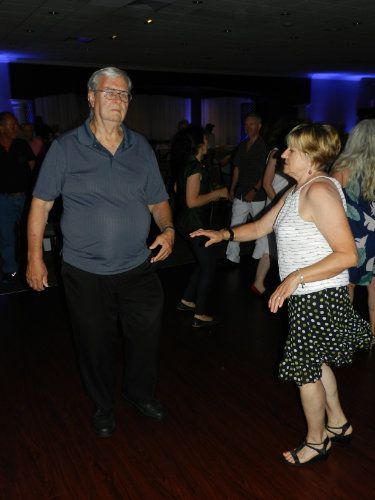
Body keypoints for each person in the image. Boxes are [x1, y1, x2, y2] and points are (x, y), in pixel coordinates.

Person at [191, 123, 372, 465]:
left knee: (304, 372)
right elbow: (260, 227)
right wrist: (224, 232)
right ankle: (338, 423)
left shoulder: (319, 191)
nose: (284, 154)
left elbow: (348, 254)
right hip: (310, 294)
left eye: (291, 150)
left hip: (317, 295)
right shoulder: (297, 189)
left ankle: (317, 441)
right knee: (315, 363)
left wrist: (295, 278)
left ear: (311, 156)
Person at [27, 67, 174, 438]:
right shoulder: (64, 149)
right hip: (84, 270)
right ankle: (103, 405)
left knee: (146, 335)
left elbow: (158, 201)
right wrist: (34, 258)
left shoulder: (140, 147)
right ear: (90, 98)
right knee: (94, 343)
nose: (118, 101)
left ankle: (139, 394)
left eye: (124, 95)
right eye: (110, 93)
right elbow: (41, 206)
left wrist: (169, 230)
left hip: (137, 267)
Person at [173, 125, 228, 327]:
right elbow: (191, 201)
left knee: (204, 261)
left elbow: (177, 189)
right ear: (200, 143)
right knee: (209, 264)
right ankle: (200, 314)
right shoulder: (195, 167)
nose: (208, 142)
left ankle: (187, 300)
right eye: (205, 139)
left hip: (185, 222)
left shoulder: (185, 164)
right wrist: (218, 193)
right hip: (194, 223)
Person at [332, 119, 375, 343]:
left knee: (346, 284)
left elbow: (332, 202)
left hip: (351, 236)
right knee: (374, 289)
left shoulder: (341, 167)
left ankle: (344, 335)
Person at [250, 129, 293, 295]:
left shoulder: (292, 154)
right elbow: (267, 184)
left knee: (271, 248)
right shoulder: (276, 153)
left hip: (284, 206)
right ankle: (261, 284)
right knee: (271, 246)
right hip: (276, 205)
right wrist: (280, 205)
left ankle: (259, 283)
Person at [226, 113, 268, 265]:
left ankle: (258, 259)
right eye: (246, 124)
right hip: (241, 192)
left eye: (251, 124)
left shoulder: (263, 146)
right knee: (234, 225)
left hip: (257, 195)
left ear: (259, 126)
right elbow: (236, 168)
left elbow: (265, 172)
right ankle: (232, 257)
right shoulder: (242, 145)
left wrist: (255, 190)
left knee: (260, 228)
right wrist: (232, 189)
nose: (248, 127)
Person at [0, 112, 35, 284]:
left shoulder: (21, 144)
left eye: (16, 125)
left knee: (28, 234)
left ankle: (31, 267)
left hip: (24, 198)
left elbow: (32, 166)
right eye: (11, 125)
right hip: (3, 200)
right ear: (1, 128)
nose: (16, 128)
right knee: (6, 237)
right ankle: (10, 270)